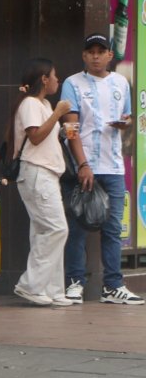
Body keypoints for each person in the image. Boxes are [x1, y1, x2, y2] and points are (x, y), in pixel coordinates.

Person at [60, 33, 143, 305]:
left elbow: (127, 116)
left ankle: (113, 286)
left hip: (114, 166)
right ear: (84, 55)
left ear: (110, 55)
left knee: (112, 229)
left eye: (101, 51)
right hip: (84, 167)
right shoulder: (72, 83)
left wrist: (125, 123)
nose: (96, 56)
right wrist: (82, 164)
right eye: (90, 51)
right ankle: (74, 282)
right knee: (79, 227)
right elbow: (70, 128)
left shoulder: (120, 82)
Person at [10, 58, 73, 307]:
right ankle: (31, 285)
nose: (58, 80)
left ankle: (53, 289)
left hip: (47, 172)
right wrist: (58, 113)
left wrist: (60, 128)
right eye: (55, 76)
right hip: (37, 172)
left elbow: (45, 135)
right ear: (44, 79)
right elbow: (35, 136)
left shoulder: (44, 103)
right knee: (57, 229)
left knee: (44, 232)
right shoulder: (30, 104)